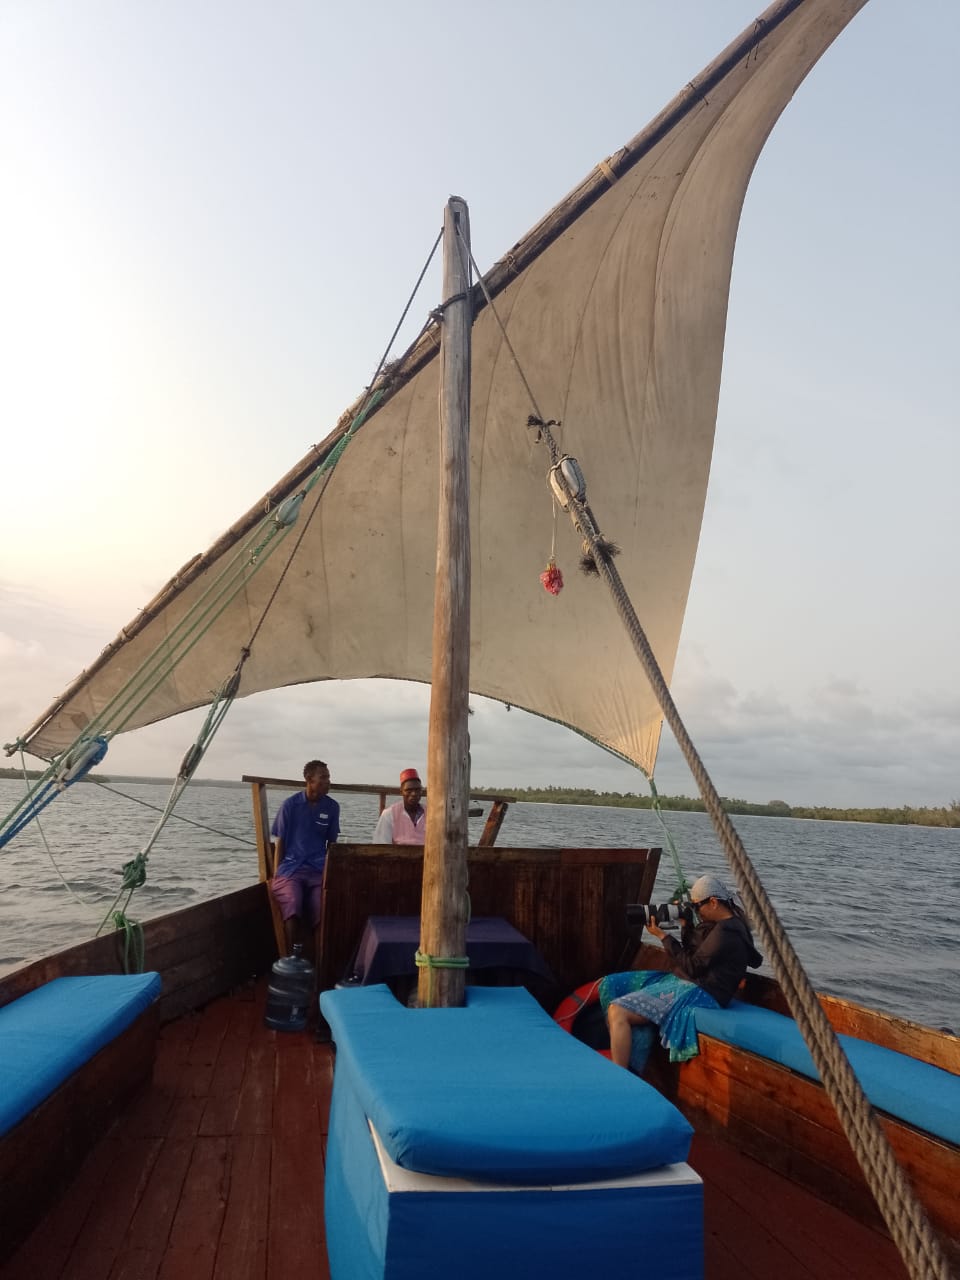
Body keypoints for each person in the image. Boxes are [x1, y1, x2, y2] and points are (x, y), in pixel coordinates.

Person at [605, 873, 762, 1072]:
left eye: (697, 906)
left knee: (618, 1011)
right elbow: (696, 956)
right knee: (615, 993)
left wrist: (663, 937)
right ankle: (628, 1063)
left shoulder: (726, 932)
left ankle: (621, 1075)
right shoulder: (732, 926)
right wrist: (686, 926)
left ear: (713, 902)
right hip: (700, 985)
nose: (697, 911)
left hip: (703, 992)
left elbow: (693, 966)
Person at [270, 759, 340, 955]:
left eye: (328, 777)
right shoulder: (290, 805)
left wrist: (330, 874)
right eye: (323, 777)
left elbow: (332, 845)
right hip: (291, 868)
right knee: (292, 901)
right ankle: (291, 959)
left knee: (323, 904)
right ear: (309, 780)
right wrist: (277, 875)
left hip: (318, 869)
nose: (328, 781)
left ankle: (320, 959)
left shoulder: (332, 807)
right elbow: (280, 842)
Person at [372, 768, 427, 844]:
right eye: (409, 790)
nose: (414, 794)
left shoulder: (431, 813)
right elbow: (380, 843)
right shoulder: (389, 814)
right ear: (401, 791)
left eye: (417, 790)